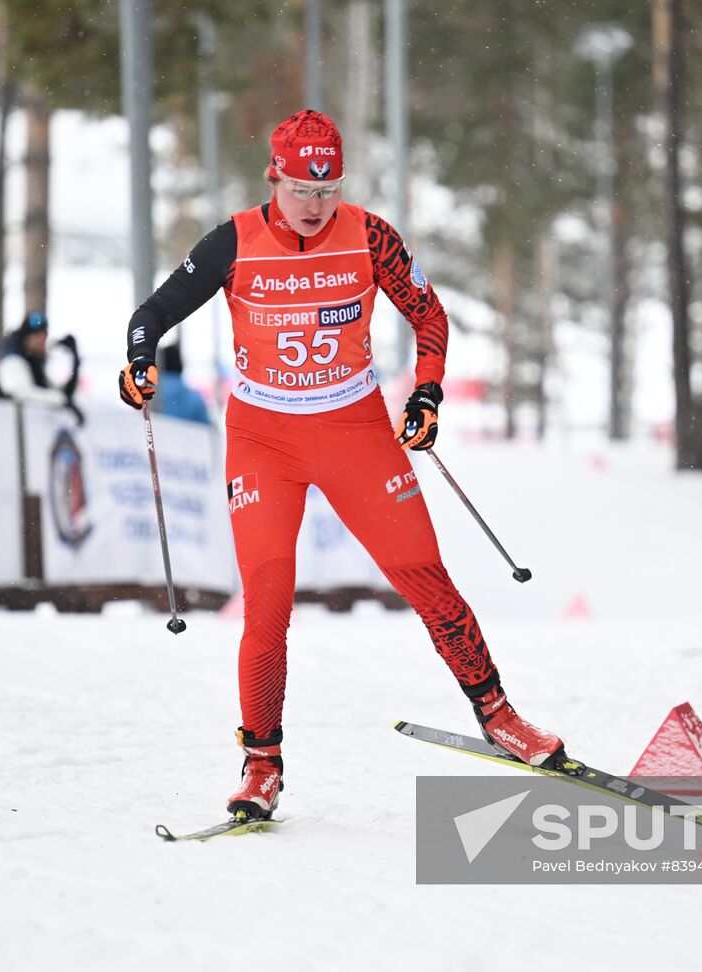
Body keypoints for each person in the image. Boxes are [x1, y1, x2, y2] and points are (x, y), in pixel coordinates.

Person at [120, 109, 567, 819]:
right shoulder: (234, 241)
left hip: (353, 428)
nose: (315, 204)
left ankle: (501, 717)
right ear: (275, 177)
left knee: (424, 573)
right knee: (266, 602)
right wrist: (138, 363)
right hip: (264, 439)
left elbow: (429, 314)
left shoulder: (370, 235)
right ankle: (261, 761)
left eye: (328, 192)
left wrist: (426, 391)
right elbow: (152, 312)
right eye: (301, 189)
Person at [0, 311, 84, 424]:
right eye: (37, 337)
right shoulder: (12, 362)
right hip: (4, 431)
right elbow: (21, 395)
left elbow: (61, 394)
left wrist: (74, 361)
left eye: (44, 337)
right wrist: (60, 400)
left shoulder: (33, 363)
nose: (42, 342)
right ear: (26, 338)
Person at [151, 344, 211, 425]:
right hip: (188, 436)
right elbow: (205, 429)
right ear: (181, 364)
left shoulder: (151, 394)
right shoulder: (195, 398)